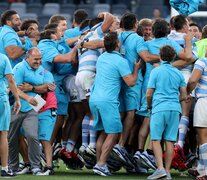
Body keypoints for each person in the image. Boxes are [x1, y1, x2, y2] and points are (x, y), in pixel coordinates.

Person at [90, 32, 141, 176]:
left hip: (94, 99)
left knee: (104, 132)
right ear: (118, 44)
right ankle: (101, 164)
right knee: (114, 132)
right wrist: (136, 69)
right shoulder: (121, 61)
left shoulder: (101, 58)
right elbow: (131, 82)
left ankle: (99, 164)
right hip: (108, 101)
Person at [146, 45, 187, 179]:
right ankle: (167, 171)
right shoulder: (178, 72)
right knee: (170, 141)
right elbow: (184, 95)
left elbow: (148, 94)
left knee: (156, 139)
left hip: (159, 107)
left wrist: (149, 106)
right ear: (173, 56)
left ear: (160, 55)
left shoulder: (156, 71)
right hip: (174, 109)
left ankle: (160, 168)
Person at [8, 48, 50, 175]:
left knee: (32, 135)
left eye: (40, 59)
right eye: (36, 59)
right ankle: (13, 167)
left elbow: (45, 87)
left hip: (32, 109)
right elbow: (13, 87)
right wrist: (27, 97)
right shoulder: (20, 68)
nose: (38, 62)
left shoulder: (41, 69)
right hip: (16, 107)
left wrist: (33, 88)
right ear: (28, 58)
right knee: (12, 138)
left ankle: (35, 167)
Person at [0, 53, 21, 177]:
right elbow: (10, 79)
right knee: (3, 133)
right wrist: (17, 99)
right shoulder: (2, 58)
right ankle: (5, 168)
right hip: (1, 98)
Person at [187, 57, 207, 180]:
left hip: (204, 100)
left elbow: (193, 80)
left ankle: (205, 172)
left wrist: (187, 92)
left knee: (202, 137)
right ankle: (200, 168)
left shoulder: (203, 61)